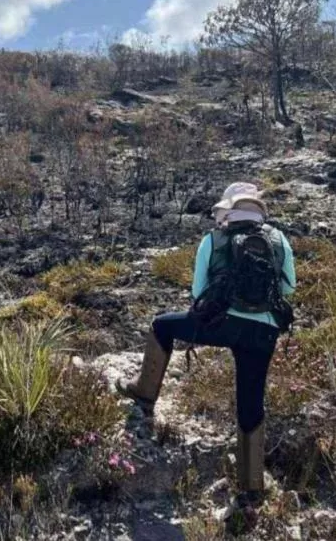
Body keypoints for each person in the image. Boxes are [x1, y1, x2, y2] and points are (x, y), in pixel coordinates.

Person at [116, 182, 296, 503]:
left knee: (161, 326)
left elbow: (198, 292)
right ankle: (251, 489)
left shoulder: (213, 240)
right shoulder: (279, 240)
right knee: (250, 403)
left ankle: (143, 398)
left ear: (227, 211)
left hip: (220, 324)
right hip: (264, 332)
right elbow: (288, 288)